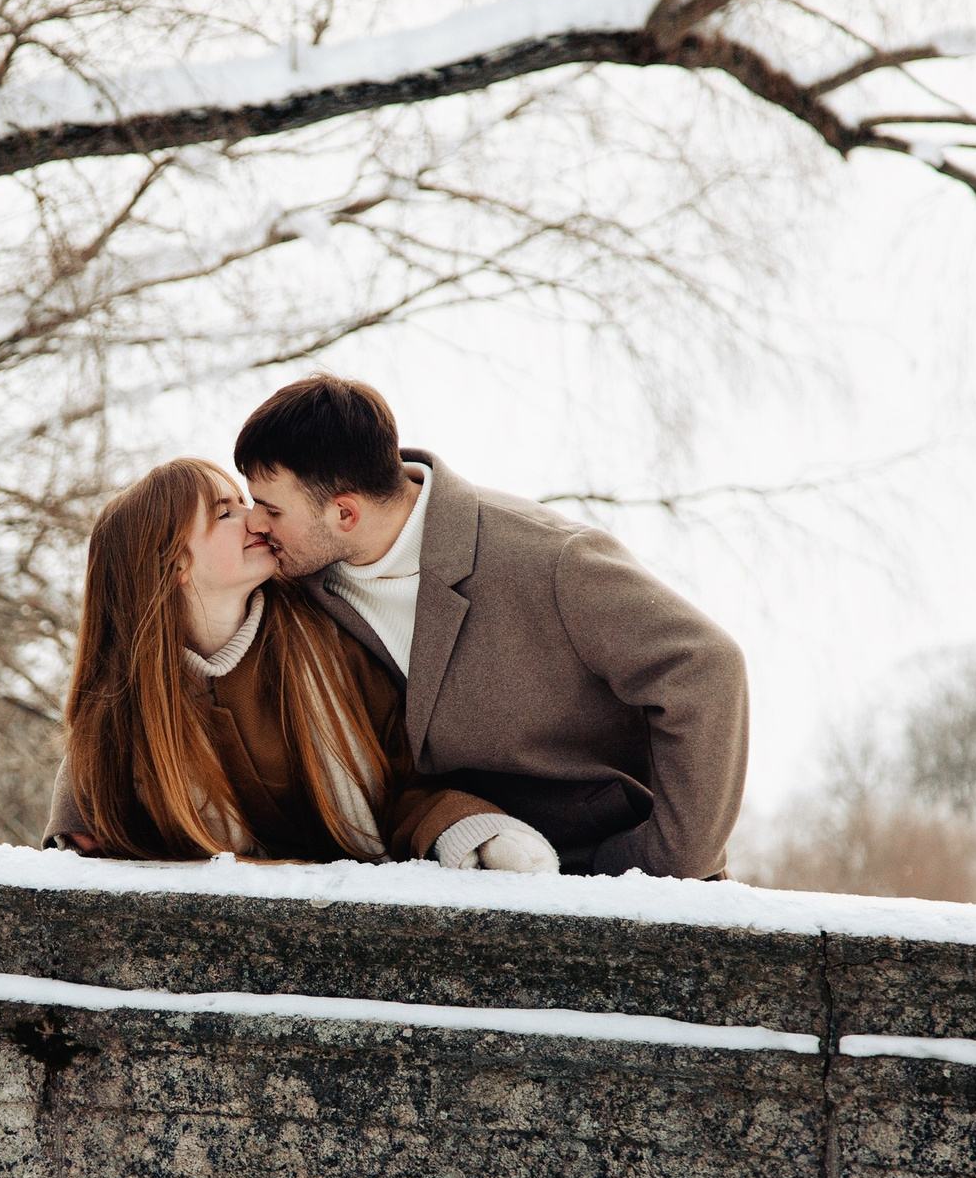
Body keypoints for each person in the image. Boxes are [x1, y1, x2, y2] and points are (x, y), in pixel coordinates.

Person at [229, 376, 748, 879]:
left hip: (609, 881)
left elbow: (704, 667)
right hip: (452, 873)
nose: (255, 522)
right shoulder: (300, 581)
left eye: (271, 508)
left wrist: (663, 865)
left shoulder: (550, 558)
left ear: (345, 513)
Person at [48, 458, 523, 865]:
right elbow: (94, 852)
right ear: (174, 564)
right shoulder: (120, 715)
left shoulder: (330, 640)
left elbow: (408, 784)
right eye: (225, 512)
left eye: (245, 503)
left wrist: (467, 831)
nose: (256, 520)